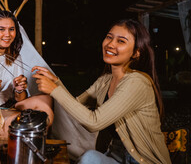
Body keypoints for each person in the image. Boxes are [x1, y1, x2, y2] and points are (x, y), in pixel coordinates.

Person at [32, 19, 171, 164]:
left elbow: (94, 122)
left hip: (142, 161)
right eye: (109, 37)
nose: (111, 44)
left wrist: (55, 90)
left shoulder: (137, 82)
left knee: (88, 158)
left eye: (121, 41)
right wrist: (56, 82)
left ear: (136, 53)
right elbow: (74, 106)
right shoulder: (105, 80)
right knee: (89, 157)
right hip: (115, 157)